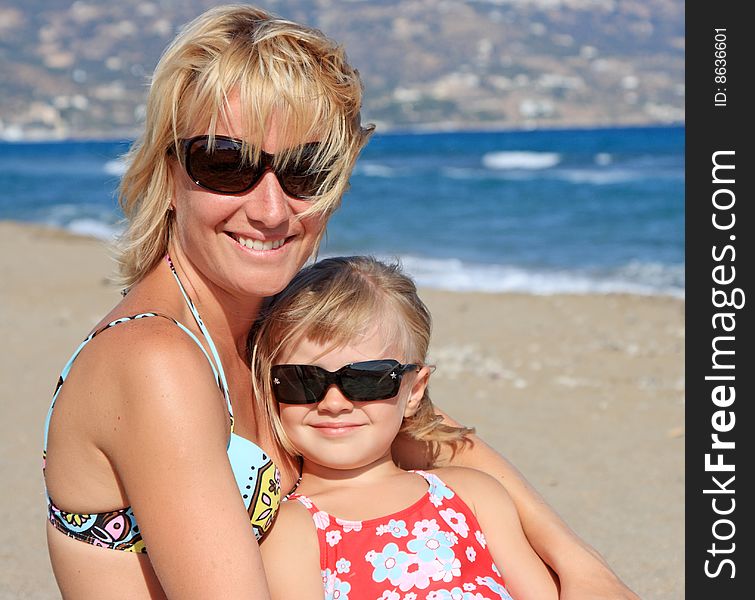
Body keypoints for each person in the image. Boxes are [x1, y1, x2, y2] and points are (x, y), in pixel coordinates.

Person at [42, 4, 638, 599]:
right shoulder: (155, 361)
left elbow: (428, 431)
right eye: (226, 164)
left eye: (305, 170)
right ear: (167, 172)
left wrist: (583, 568)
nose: (271, 209)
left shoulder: (262, 326)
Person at [253, 256, 560, 600]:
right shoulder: (292, 529)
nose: (334, 403)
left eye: (367, 379)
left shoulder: (472, 496)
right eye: (303, 380)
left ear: (414, 390)